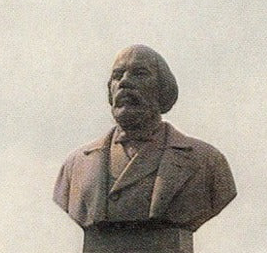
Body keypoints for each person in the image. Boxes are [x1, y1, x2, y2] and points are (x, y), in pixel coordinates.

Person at [53, 45, 236, 233]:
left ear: (162, 89)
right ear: (110, 90)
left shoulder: (206, 162)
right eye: (117, 76)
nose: (124, 82)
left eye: (139, 74)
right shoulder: (75, 166)